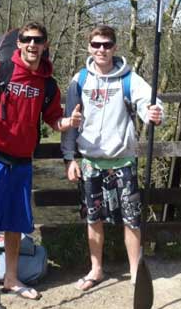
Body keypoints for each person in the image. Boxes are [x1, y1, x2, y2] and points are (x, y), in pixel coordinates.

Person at [0, 22, 82, 309]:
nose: (32, 45)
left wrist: (68, 123)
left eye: (37, 40)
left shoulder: (47, 84)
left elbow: (53, 121)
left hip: (22, 162)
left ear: (45, 45)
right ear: (20, 42)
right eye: (26, 40)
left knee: (14, 223)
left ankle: (11, 278)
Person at [61, 24, 164, 291]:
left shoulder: (129, 78)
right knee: (93, 220)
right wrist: (70, 158)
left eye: (106, 44)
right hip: (91, 163)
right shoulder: (80, 79)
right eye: (96, 44)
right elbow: (70, 120)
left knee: (131, 220)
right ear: (89, 47)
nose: (101, 50)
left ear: (115, 47)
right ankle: (96, 270)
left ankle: (134, 271)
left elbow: (148, 102)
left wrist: (154, 112)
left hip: (123, 162)